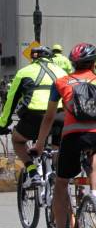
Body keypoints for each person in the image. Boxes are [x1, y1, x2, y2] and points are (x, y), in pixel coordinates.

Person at [34, 43, 96, 228]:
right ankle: (95, 195)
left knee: (61, 184)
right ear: (94, 63)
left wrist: (40, 144)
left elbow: (49, 117)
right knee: (93, 151)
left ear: (72, 63)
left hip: (73, 135)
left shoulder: (60, 83)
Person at [0, 46, 66, 186]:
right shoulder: (62, 71)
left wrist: (3, 124)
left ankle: (32, 171)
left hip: (34, 116)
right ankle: (55, 171)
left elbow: (11, 101)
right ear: (50, 58)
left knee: (17, 140)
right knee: (57, 144)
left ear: (32, 58)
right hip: (59, 115)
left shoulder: (23, 72)